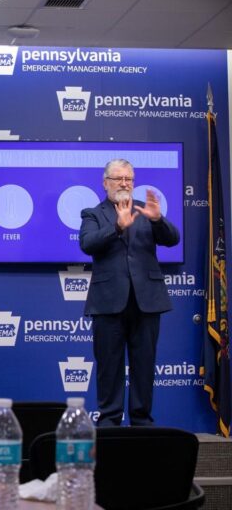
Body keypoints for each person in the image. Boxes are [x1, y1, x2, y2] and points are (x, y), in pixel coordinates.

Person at [79, 159, 180, 427]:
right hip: (109, 303)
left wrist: (158, 220)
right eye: (118, 179)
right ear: (105, 183)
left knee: (144, 367)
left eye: (129, 179)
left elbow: (172, 239)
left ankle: (142, 423)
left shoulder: (145, 211)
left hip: (146, 301)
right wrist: (117, 227)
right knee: (108, 368)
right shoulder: (93, 213)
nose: (124, 184)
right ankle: (110, 424)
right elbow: (87, 243)